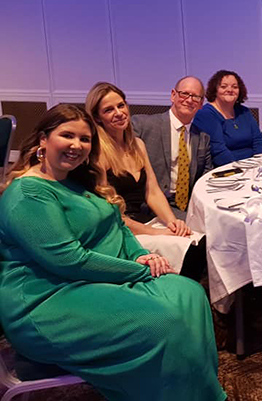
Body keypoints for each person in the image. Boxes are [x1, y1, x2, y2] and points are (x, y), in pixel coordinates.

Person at [0, 104, 226, 401]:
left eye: (85, 139)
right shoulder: (29, 194)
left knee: (190, 294)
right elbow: (69, 261)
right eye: (66, 135)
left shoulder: (74, 181)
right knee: (165, 321)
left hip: (89, 280)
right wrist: (141, 270)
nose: (77, 145)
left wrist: (140, 255)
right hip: (45, 299)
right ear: (43, 139)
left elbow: (116, 226)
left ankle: (197, 393)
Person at [85, 82, 203, 277]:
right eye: (109, 110)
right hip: (121, 230)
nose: (119, 113)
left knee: (199, 240)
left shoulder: (137, 144)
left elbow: (153, 191)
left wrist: (173, 223)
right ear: (97, 117)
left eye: (121, 105)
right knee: (191, 251)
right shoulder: (97, 153)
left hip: (145, 220)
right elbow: (111, 215)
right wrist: (158, 233)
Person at [131, 76, 212, 217]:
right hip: (152, 205)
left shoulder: (202, 138)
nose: (189, 99)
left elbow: (207, 175)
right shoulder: (143, 125)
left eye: (196, 97)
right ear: (173, 95)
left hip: (188, 205)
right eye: (184, 94)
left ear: (201, 104)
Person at [194, 70, 262, 166]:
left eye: (235, 87)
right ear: (215, 90)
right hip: (228, 170)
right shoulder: (206, 114)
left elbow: (258, 141)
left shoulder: (244, 112)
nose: (230, 90)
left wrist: (261, 165)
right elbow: (218, 151)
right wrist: (240, 170)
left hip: (254, 168)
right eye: (223, 86)